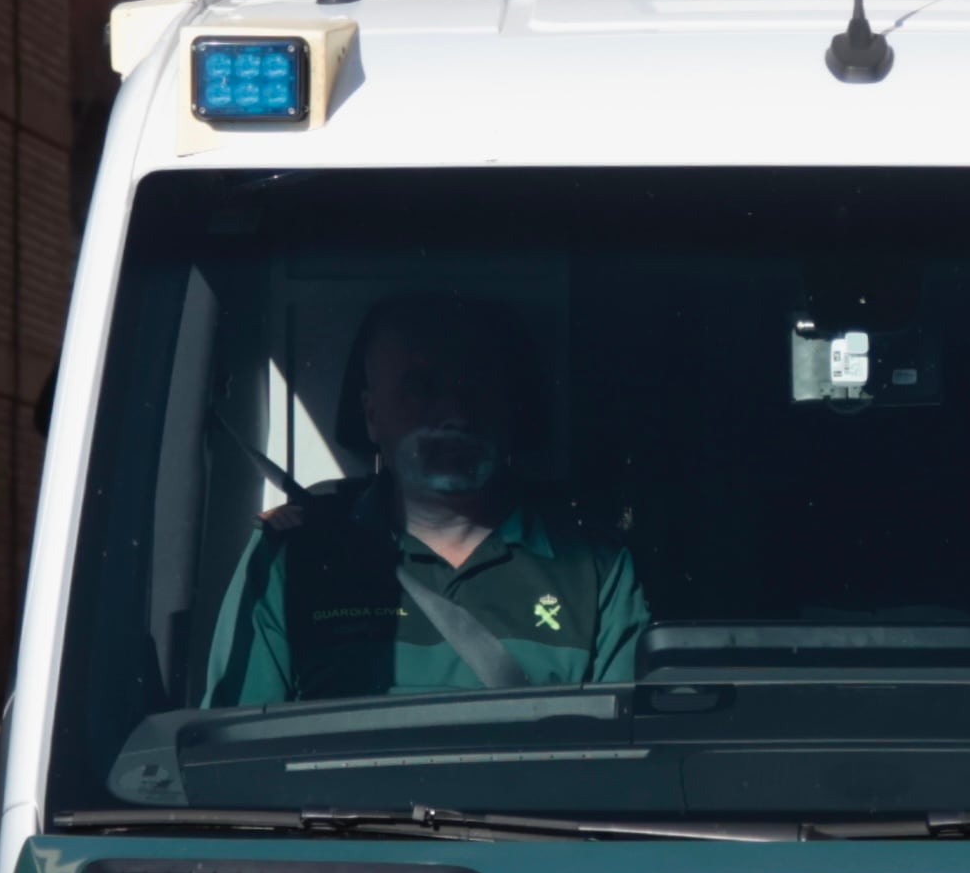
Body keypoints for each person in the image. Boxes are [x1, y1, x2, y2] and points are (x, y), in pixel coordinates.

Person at [200, 293, 648, 703]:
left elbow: (623, 761)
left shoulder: (596, 569)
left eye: (475, 386)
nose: (454, 414)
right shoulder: (291, 558)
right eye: (421, 388)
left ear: (510, 407)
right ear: (372, 415)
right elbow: (231, 756)